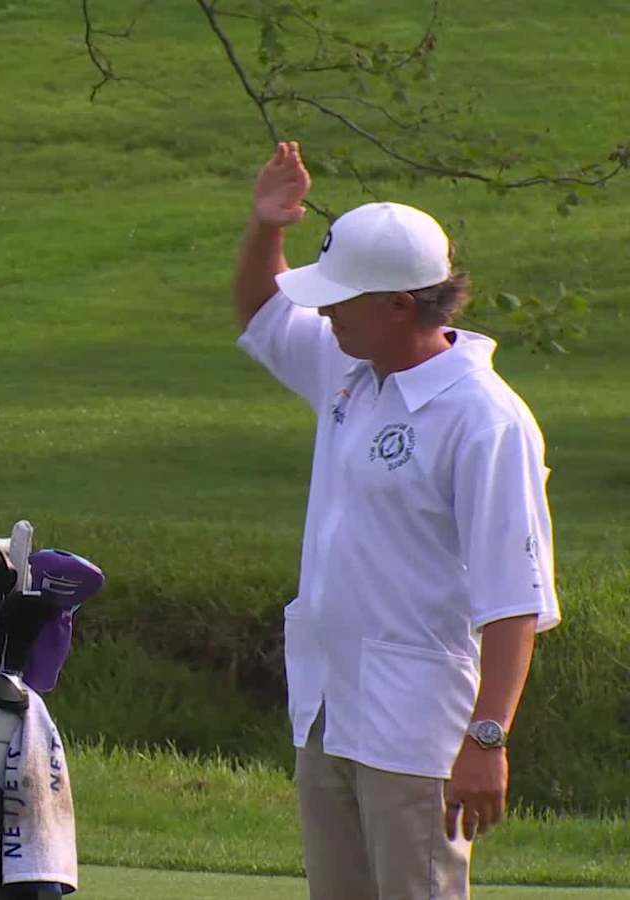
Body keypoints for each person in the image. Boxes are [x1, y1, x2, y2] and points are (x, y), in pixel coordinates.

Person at [234, 141, 561, 900]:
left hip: (417, 732)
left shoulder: (486, 419)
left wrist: (487, 740)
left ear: (399, 305)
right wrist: (265, 227)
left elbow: (514, 595)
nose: (320, 311)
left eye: (338, 299)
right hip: (327, 709)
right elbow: (262, 311)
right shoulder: (353, 368)